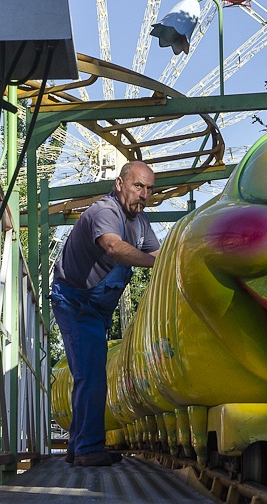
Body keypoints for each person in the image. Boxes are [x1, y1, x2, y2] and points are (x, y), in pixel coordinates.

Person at [50, 161, 160, 467]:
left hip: (97, 308)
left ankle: (77, 447)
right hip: (76, 302)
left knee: (89, 374)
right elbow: (113, 248)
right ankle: (87, 449)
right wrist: (157, 265)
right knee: (92, 374)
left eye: (149, 189)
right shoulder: (105, 212)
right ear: (119, 184)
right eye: (138, 186)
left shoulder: (140, 222)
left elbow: (157, 252)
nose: (144, 194)